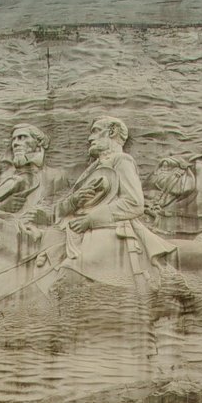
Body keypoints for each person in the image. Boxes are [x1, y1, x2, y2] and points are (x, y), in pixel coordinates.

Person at [58, 116, 174, 283]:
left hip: (109, 228)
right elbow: (69, 203)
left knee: (72, 272)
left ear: (112, 132)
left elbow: (134, 203)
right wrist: (74, 200)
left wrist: (91, 220)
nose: (90, 138)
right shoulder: (93, 167)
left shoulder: (121, 160)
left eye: (96, 131)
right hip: (75, 229)